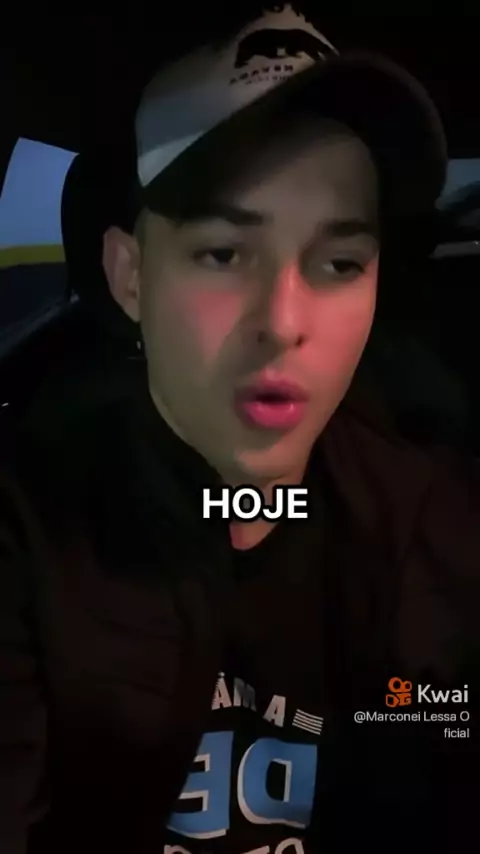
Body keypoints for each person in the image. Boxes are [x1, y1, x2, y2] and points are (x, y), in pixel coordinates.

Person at [1, 5, 479, 853]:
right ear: (130, 276)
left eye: (339, 263)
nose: (284, 322)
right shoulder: (27, 525)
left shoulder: (431, 523)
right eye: (223, 253)